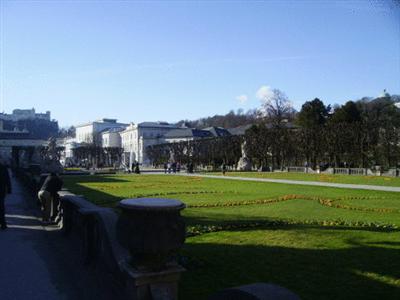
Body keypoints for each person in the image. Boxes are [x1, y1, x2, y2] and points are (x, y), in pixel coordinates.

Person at [0, 159, 12, 230]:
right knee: (1, 208)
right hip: (1, 191)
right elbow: (8, 180)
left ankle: (3, 224)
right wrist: (9, 189)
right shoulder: (3, 168)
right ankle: (3, 224)